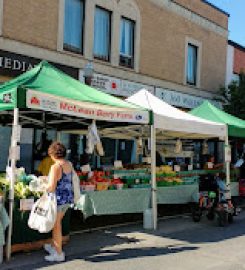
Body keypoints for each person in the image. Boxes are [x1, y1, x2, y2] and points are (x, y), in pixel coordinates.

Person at [44, 141, 74, 262]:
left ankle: (58, 253)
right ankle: (54, 247)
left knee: (56, 226)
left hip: (58, 200)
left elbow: (51, 187)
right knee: (57, 224)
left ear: (53, 154)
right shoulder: (69, 164)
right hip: (67, 199)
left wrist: (42, 185)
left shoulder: (55, 166)